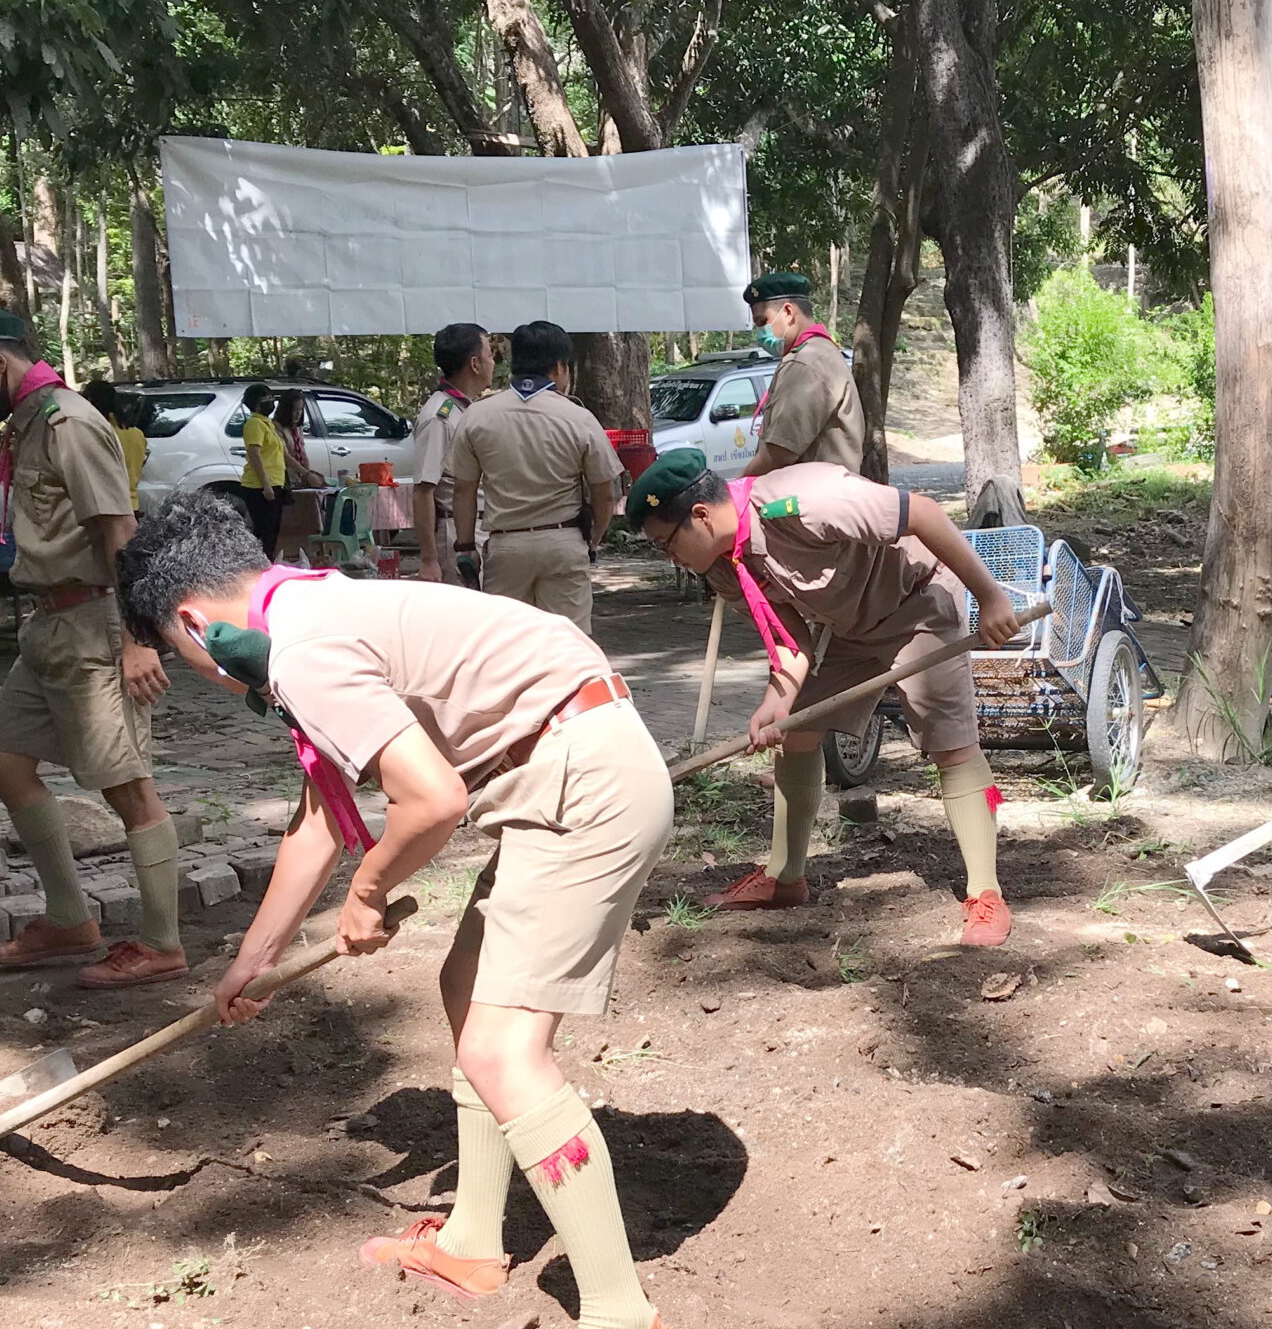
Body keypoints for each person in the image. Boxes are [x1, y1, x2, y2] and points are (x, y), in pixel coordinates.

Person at [116, 489, 676, 1329]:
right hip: (561, 763)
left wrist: (370, 893)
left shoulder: (302, 648)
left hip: (581, 781)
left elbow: (433, 800)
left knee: (503, 1050)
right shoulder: (308, 609)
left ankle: (624, 1327)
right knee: (466, 987)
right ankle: (472, 1240)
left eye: (179, 655)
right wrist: (252, 958)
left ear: (191, 623)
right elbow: (319, 819)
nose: (198, 674)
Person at [628, 449, 1026, 948]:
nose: (670, 559)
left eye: (666, 544)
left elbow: (922, 512)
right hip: (850, 629)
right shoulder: (723, 566)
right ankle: (785, 877)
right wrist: (776, 703)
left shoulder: (807, 500)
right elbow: (790, 641)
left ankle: (986, 892)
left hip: (919, 603)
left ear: (701, 515)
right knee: (796, 731)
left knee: (952, 745)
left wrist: (991, 597)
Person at [0, 307, 190, 989]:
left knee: (128, 788)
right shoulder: (30, 421)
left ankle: (162, 943)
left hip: (94, 621)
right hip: (48, 625)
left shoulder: (69, 422)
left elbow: (120, 531)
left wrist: (138, 638)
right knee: (4, 764)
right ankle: (70, 920)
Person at [447, 320, 620, 630]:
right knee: (568, 643)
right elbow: (605, 494)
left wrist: (465, 547)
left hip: (506, 547)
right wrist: (593, 540)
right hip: (563, 542)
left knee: (509, 644)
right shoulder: (579, 418)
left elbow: (463, 490)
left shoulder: (477, 415)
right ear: (559, 366)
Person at [741, 271, 865, 477]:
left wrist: (738, 487)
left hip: (813, 493)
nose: (760, 332)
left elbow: (778, 453)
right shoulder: (821, 351)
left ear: (788, 312)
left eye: (763, 321)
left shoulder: (805, 362)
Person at [410, 323, 491, 584]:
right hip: (456, 532)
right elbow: (424, 489)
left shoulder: (463, 410)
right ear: (475, 364)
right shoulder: (439, 417)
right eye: (490, 355)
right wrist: (429, 560)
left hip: (477, 528)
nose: (493, 363)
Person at [238, 383, 291, 559]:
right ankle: (260, 565)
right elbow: (255, 454)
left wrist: (305, 472)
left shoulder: (267, 424)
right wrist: (266, 485)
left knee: (272, 531)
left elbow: (283, 455)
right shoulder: (254, 424)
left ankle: (266, 563)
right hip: (259, 486)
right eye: (268, 398)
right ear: (257, 403)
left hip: (275, 482)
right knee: (264, 532)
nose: (272, 402)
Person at [83, 381, 149, 509]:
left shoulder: (95, 433)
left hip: (104, 507)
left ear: (90, 401)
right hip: (131, 505)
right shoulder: (136, 433)